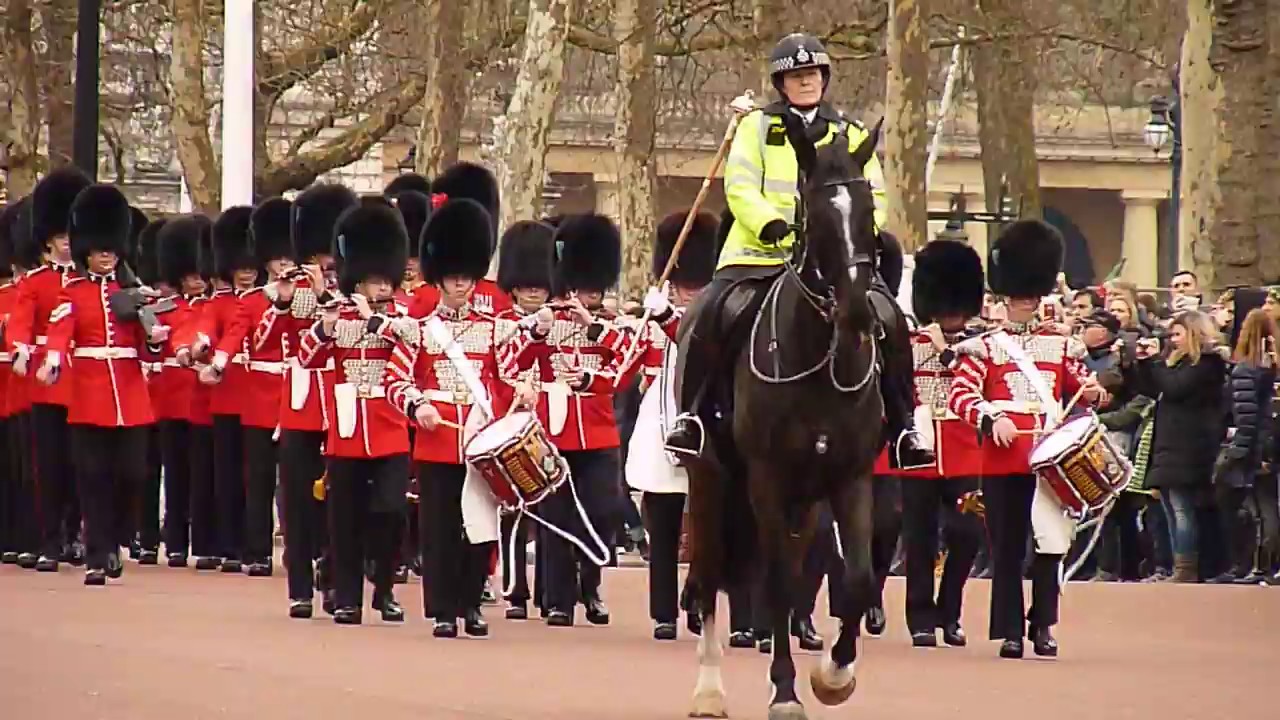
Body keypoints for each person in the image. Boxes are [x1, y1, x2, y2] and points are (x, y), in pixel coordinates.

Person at [661, 32, 933, 471]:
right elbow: (741, 185)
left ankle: (903, 425)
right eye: (795, 75)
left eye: (812, 74)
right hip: (759, 252)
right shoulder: (756, 127)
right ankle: (690, 416)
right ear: (781, 82)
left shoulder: (851, 133)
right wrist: (768, 222)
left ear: (824, 78)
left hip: (834, 260)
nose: (805, 82)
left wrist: (857, 235)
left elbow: (874, 196)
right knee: (708, 313)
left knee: (889, 319)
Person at [947, 220, 1106, 659]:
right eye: (1019, 298)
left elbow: (1081, 389)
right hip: (1003, 458)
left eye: (1031, 298)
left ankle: (1043, 626)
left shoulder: (1060, 345)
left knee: (1050, 548)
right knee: (1008, 550)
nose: (1025, 304)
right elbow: (962, 394)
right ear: (1005, 299)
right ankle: (1011, 630)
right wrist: (990, 417)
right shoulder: (986, 346)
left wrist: (1094, 393)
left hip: (1047, 460)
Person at [385, 197, 521, 638]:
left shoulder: (494, 325)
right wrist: (417, 405)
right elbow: (395, 378)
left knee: (479, 527)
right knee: (440, 527)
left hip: (478, 438)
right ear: (439, 278)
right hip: (437, 436)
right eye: (453, 277)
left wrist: (523, 396)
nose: (461, 285)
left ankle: (471, 603)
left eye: (466, 276)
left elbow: (510, 377)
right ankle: (443, 608)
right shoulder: (421, 329)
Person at [520, 213, 647, 627]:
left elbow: (627, 365)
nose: (589, 295)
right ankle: (557, 600)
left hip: (597, 433)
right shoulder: (545, 321)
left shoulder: (612, 326)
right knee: (556, 518)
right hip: (553, 432)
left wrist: (592, 328)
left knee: (599, 514)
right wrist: (538, 334)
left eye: (595, 289)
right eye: (583, 287)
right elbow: (513, 363)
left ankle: (589, 587)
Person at [40, 184, 168, 585]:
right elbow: (61, 330)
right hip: (91, 392)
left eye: (110, 248)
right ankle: (99, 554)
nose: (105, 255)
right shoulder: (73, 292)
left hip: (129, 393)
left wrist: (153, 336)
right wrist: (55, 360)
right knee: (92, 476)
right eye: (99, 250)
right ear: (86, 252)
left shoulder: (132, 291)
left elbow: (150, 348)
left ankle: (115, 536)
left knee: (132, 473)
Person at [296, 199, 412, 625]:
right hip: (345, 427)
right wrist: (326, 326)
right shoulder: (336, 314)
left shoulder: (402, 317)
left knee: (389, 511)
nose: (382, 289)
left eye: (386, 282)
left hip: (390, 425)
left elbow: (413, 347)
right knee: (343, 517)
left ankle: (383, 587)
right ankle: (346, 595)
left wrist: (375, 320)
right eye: (373, 282)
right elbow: (307, 359)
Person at [876, 237, 986, 648]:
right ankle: (920, 616)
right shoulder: (906, 344)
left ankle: (950, 612)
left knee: (967, 531)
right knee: (920, 535)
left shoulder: (983, 344)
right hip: (920, 450)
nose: (952, 315)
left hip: (966, 449)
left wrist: (947, 351)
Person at [258, 183, 356, 617]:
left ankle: (334, 578)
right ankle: (300, 584)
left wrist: (325, 295)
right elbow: (261, 342)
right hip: (300, 407)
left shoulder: (353, 291)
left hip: (344, 406)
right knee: (297, 499)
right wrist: (280, 304)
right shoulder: (289, 290)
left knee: (342, 500)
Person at [626, 209, 717, 641]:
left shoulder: (716, 311)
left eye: (694, 286)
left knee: (708, 526)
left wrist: (666, 320)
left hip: (707, 426)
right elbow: (622, 369)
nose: (688, 293)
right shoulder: (657, 308)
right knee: (660, 523)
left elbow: (699, 345)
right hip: (660, 423)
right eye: (684, 286)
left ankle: (701, 601)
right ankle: (663, 611)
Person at [8, 167, 91, 572]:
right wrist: (21, 348)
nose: (66, 244)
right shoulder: (36, 282)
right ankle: (49, 540)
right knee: (48, 464)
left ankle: (74, 532)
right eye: (61, 237)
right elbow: (22, 322)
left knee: (80, 464)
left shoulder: (88, 282)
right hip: (45, 381)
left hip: (82, 383)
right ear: (48, 240)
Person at [1126, 311, 1228, 583]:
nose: (1172, 340)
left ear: (1193, 333)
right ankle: (1178, 563)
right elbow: (1152, 389)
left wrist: (1158, 366)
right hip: (1170, 443)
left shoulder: (1207, 365)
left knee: (1182, 508)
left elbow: (1174, 388)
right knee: (1171, 507)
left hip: (1190, 444)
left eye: (1177, 334)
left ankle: (1187, 566)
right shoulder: (1179, 365)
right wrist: (1142, 364)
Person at [492, 218, 558, 621]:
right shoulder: (501, 323)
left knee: (553, 510)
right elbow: (504, 362)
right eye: (527, 283)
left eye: (541, 282)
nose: (535, 290)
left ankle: (554, 592)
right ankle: (516, 589)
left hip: (553, 422)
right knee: (512, 509)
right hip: (513, 419)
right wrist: (531, 331)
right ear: (513, 285)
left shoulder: (561, 319)